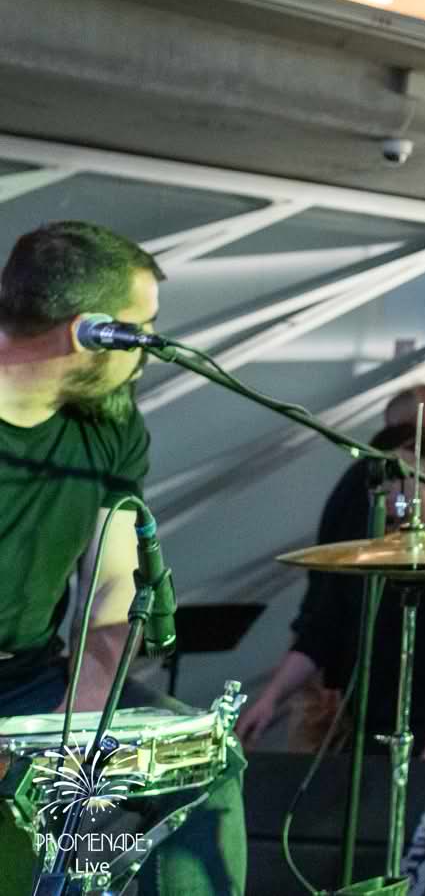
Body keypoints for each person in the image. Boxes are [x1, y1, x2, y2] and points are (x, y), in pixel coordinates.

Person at [0, 221, 247, 894]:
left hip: (29, 680)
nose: (150, 348)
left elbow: (114, 585)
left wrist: (83, 716)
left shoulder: (111, 421)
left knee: (201, 762)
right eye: (141, 330)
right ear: (89, 331)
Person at [234, 388, 425, 760]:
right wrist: (271, 698)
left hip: (420, 721)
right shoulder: (360, 513)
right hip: (354, 707)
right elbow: (323, 623)